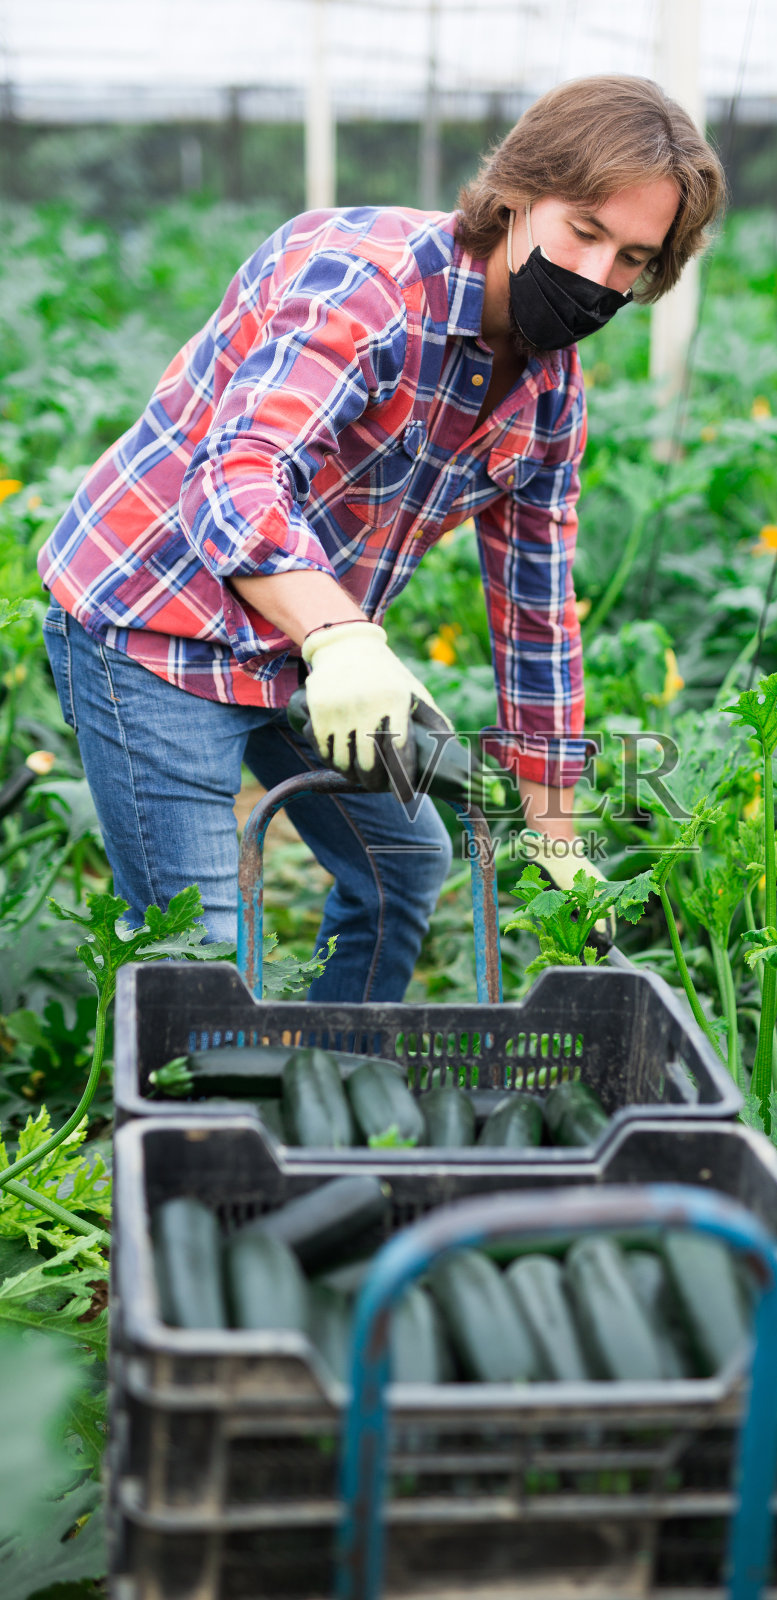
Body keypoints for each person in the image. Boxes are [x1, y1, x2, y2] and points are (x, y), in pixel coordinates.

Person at [38, 74, 726, 1002]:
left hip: (302, 645)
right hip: (151, 620)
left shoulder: (550, 396)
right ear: (518, 198)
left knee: (403, 863)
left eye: (633, 259)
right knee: (196, 953)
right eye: (586, 233)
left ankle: (342, 1071)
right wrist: (340, 636)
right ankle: (202, 1121)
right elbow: (237, 476)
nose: (600, 280)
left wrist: (555, 829)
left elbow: (536, 621)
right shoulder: (364, 282)